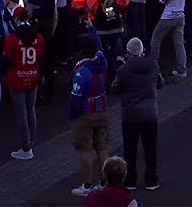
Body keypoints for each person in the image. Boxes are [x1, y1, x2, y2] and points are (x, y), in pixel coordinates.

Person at [111, 37, 162, 191]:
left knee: (130, 150)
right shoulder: (153, 65)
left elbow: (115, 89)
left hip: (130, 114)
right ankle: (151, 180)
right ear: (142, 51)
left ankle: (130, 180)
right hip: (150, 113)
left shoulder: (124, 70)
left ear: (128, 52)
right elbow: (160, 83)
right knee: (150, 148)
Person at [2, 6, 45, 160]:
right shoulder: (38, 37)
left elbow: (7, 60)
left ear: (17, 19)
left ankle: (26, 147)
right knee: (31, 110)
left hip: (17, 77)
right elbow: (41, 58)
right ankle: (31, 143)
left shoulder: (12, 38)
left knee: (21, 113)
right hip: (33, 76)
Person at [69, 36, 110, 198]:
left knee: (86, 150)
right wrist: (92, 28)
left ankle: (87, 186)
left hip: (85, 115)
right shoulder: (102, 62)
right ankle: (105, 182)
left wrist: (72, 114)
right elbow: (99, 44)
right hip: (103, 111)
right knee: (102, 148)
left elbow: (75, 97)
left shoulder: (81, 72)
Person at [149, 0, 187, 78]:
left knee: (155, 39)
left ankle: (154, 67)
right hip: (180, 16)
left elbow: (160, 1)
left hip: (167, 17)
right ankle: (182, 69)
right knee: (179, 43)